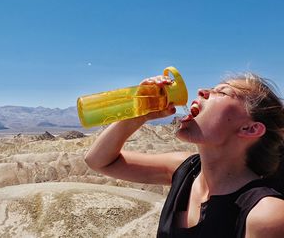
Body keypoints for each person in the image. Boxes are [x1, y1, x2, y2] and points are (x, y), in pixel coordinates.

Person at [84, 72, 284, 238]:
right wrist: (139, 112)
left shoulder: (266, 215)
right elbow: (98, 161)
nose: (202, 91)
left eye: (221, 92)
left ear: (249, 129)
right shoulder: (186, 170)